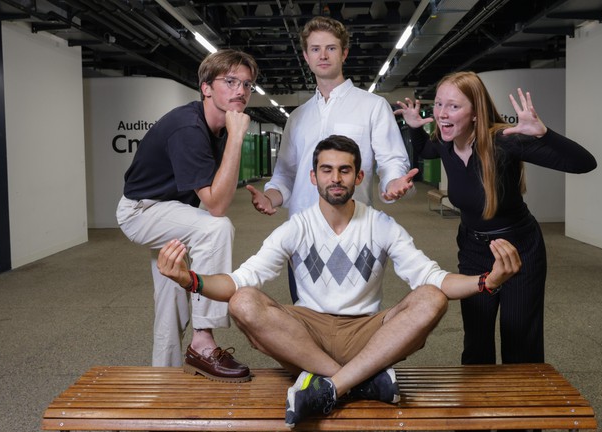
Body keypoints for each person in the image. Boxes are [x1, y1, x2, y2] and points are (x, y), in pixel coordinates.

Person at [157, 135, 522, 427]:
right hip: (307, 335)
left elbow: (435, 279)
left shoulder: (380, 225)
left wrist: (488, 281)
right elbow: (238, 284)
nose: (336, 178)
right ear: (313, 177)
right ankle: (357, 382)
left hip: (367, 332)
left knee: (431, 298)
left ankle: (330, 386)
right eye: (327, 170)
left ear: (359, 177)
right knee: (243, 301)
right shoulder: (297, 227)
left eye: (345, 170)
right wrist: (189, 279)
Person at [395, 71, 597, 366]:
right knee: (476, 337)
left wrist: (544, 134)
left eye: (453, 106)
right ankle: (478, 404)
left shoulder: (504, 141)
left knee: (518, 337)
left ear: (475, 112)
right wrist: (415, 128)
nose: (441, 114)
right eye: (438, 104)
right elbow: (426, 148)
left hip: (518, 247)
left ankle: (521, 406)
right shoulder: (445, 142)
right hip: (473, 249)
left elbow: (584, 164)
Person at [246, 15, 418, 301]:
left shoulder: (372, 106)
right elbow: (286, 174)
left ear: (344, 53)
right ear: (306, 56)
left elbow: (391, 161)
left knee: (356, 316)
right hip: (302, 230)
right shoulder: (298, 117)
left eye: (331, 48)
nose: (323, 55)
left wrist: (392, 184)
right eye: (315, 49)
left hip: (356, 231)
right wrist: (271, 197)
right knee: (305, 317)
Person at [116, 49, 259, 382]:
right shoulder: (189, 128)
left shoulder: (220, 127)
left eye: (247, 85)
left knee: (170, 297)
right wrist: (237, 137)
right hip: (142, 211)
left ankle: (163, 380)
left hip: (173, 213)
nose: (241, 90)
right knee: (217, 228)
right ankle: (203, 339)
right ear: (206, 87)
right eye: (230, 81)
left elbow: (216, 190)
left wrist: (231, 136)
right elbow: (217, 204)